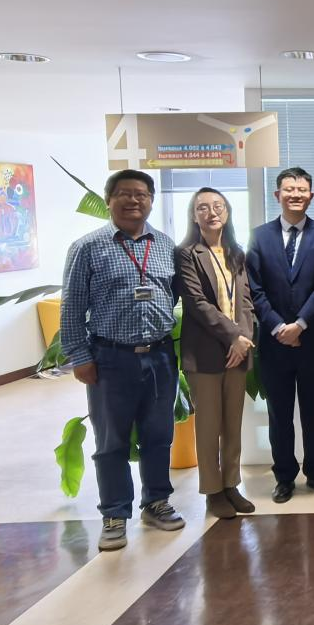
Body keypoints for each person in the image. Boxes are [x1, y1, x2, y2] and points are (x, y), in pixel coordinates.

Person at [60, 169, 185, 551]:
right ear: (109, 199)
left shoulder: (164, 245)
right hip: (111, 359)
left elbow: (173, 295)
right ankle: (114, 513)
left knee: (158, 435)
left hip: (160, 355)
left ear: (151, 200)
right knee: (111, 440)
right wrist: (80, 356)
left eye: (141, 194)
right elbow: (71, 308)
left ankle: (156, 502)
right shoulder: (87, 247)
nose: (134, 200)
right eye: (125, 193)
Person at [245, 167, 314, 503]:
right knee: (279, 412)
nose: (295, 195)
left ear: (311, 196)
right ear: (278, 195)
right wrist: (277, 326)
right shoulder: (258, 237)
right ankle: (284, 476)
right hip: (273, 342)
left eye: (302, 190)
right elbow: (254, 289)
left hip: (313, 338)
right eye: (289, 189)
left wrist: (299, 325)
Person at [174, 187, 256, 520]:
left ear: (228, 212)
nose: (212, 212)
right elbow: (197, 303)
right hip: (205, 353)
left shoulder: (236, 253)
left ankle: (231, 484)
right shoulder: (186, 254)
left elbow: (246, 302)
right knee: (209, 427)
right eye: (203, 208)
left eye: (218, 206)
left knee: (232, 425)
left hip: (237, 352)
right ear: (194, 216)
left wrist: (244, 339)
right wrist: (234, 336)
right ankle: (212, 491)